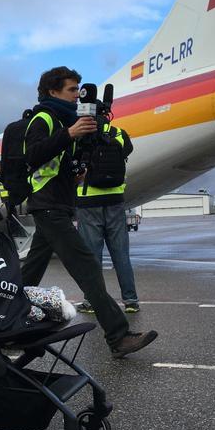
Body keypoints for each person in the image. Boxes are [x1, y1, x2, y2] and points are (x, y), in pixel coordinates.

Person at [19, 66, 157, 358]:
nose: (76, 96)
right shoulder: (43, 118)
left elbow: (56, 165)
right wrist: (69, 134)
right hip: (48, 206)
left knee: (30, 271)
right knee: (88, 269)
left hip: (55, 205)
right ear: (52, 91)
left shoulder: (64, 120)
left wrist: (76, 173)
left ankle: (0, 312)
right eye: (71, 90)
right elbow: (32, 156)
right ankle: (118, 337)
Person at [75, 124, 141, 314]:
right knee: (121, 254)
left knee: (92, 257)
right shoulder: (119, 132)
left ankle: (92, 301)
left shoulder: (81, 131)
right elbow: (127, 150)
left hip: (89, 203)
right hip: (115, 200)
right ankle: (131, 301)